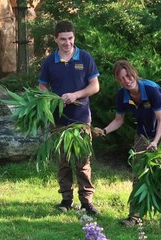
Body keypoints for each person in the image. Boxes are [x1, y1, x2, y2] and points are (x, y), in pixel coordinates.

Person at [94, 60, 161, 226]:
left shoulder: (151, 89)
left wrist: (154, 142)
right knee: (139, 175)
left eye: (129, 75)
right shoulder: (122, 95)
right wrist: (104, 131)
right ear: (118, 80)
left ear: (134, 74)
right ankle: (135, 217)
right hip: (142, 134)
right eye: (122, 78)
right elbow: (118, 120)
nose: (127, 80)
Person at [38, 20, 100, 215]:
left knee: (83, 162)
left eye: (70, 38)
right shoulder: (50, 61)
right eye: (63, 39)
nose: (67, 43)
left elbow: (95, 86)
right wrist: (53, 100)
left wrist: (76, 95)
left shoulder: (85, 58)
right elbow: (41, 88)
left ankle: (87, 202)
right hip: (59, 121)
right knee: (63, 162)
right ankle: (66, 200)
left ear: (74, 37)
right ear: (55, 39)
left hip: (81, 120)